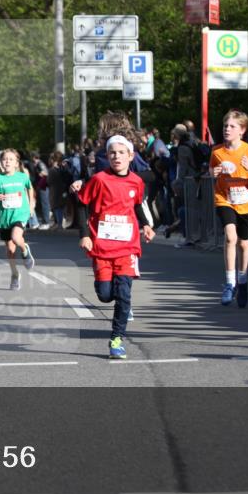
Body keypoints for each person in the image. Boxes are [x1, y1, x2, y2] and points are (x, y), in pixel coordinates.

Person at [73, 135, 155, 359]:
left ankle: (117, 339)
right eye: (112, 153)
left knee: (124, 295)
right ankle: (108, 293)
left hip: (127, 248)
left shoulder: (136, 182)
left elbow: (137, 205)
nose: (116, 157)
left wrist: (146, 225)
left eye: (121, 153)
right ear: (107, 156)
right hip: (102, 248)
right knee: (105, 295)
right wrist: (85, 235)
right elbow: (82, 204)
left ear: (131, 156)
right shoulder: (99, 179)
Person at [210, 110, 248, 308]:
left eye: (232, 126)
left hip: (246, 202)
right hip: (224, 199)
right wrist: (214, 172)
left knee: (243, 244)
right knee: (230, 237)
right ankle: (229, 283)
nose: (227, 129)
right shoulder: (217, 152)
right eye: (226, 125)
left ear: (242, 130)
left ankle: (242, 282)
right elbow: (212, 170)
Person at [0, 149, 36, 291]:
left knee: (16, 238)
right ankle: (15, 274)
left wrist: (31, 204)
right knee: (10, 249)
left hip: (20, 214)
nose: (7, 161)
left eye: (11, 159)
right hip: (5, 218)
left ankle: (25, 249)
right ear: (1, 162)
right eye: (5, 159)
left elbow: (30, 188)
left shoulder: (22, 177)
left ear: (16, 163)